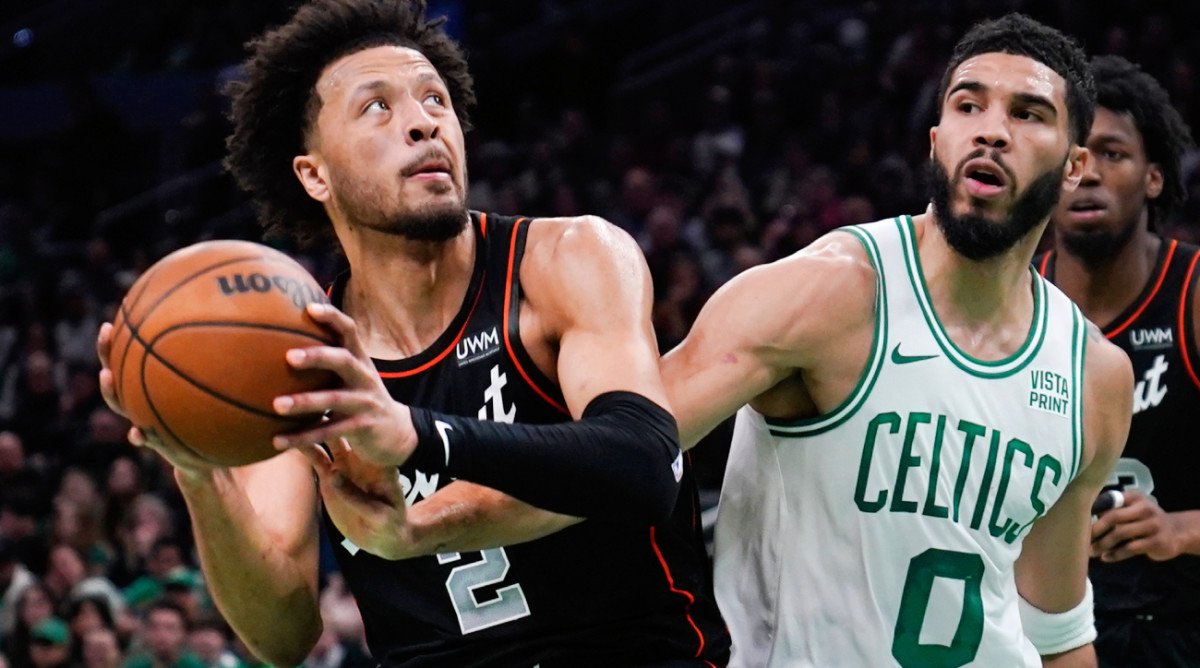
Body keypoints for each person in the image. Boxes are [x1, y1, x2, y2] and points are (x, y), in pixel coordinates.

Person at [95, 0, 728, 666]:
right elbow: (282, 638)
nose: (424, 122)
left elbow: (644, 463)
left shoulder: (565, 259)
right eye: (378, 107)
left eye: (436, 100)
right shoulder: (296, 353)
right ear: (314, 174)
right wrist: (200, 476)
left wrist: (418, 436)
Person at [660, 13, 1134, 667]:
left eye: (1028, 114)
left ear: (1076, 165)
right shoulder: (826, 295)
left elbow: (1056, 630)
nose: (991, 130)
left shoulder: (1093, 375)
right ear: (937, 140)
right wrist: (466, 500)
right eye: (969, 105)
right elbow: (612, 450)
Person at [1040, 55, 1200, 667]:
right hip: (1054, 626)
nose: (1090, 174)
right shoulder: (1010, 312)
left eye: (1113, 153)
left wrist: (1178, 530)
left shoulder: (1191, 294)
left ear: (1154, 178)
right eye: (1074, 157)